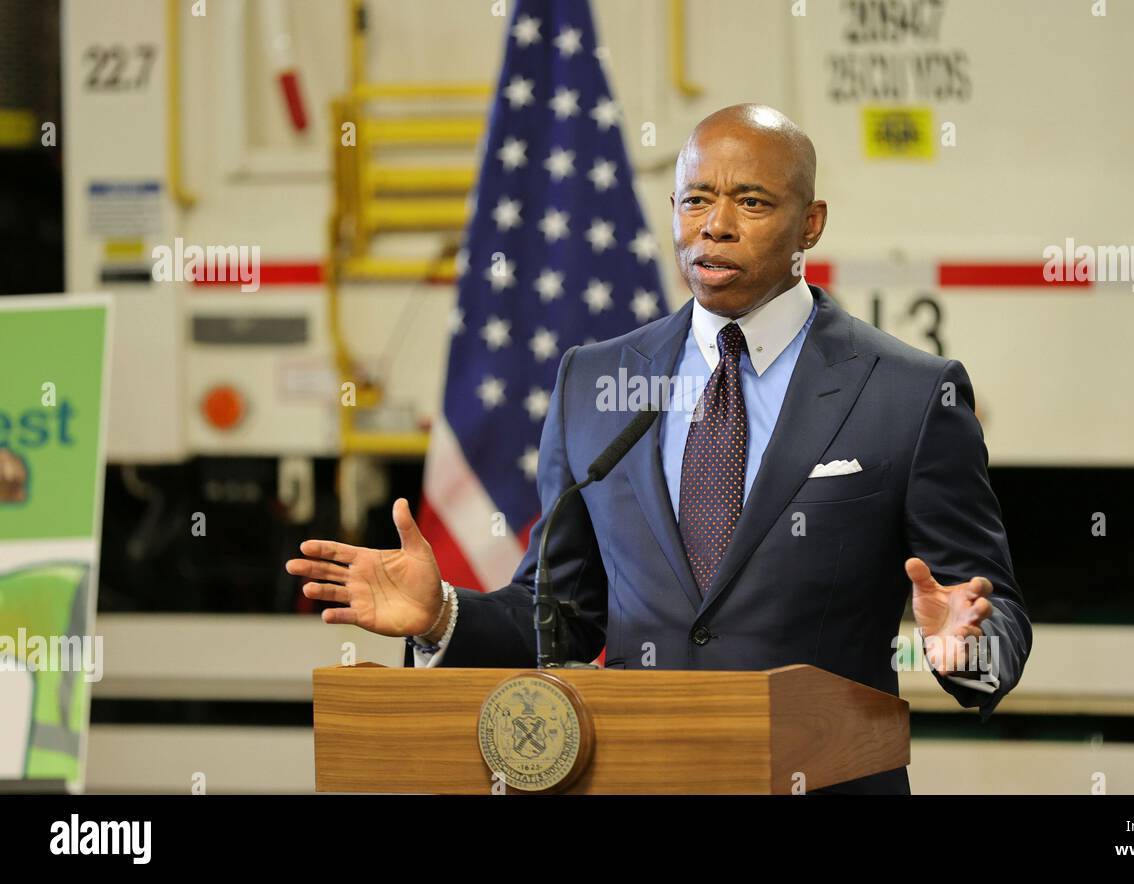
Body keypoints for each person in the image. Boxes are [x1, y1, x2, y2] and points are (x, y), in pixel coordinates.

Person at [286, 103, 1032, 794]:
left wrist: (965, 650)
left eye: (753, 201)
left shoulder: (907, 392)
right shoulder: (595, 379)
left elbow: (994, 625)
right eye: (695, 199)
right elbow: (564, 612)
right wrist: (443, 615)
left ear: (811, 223)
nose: (715, 225)